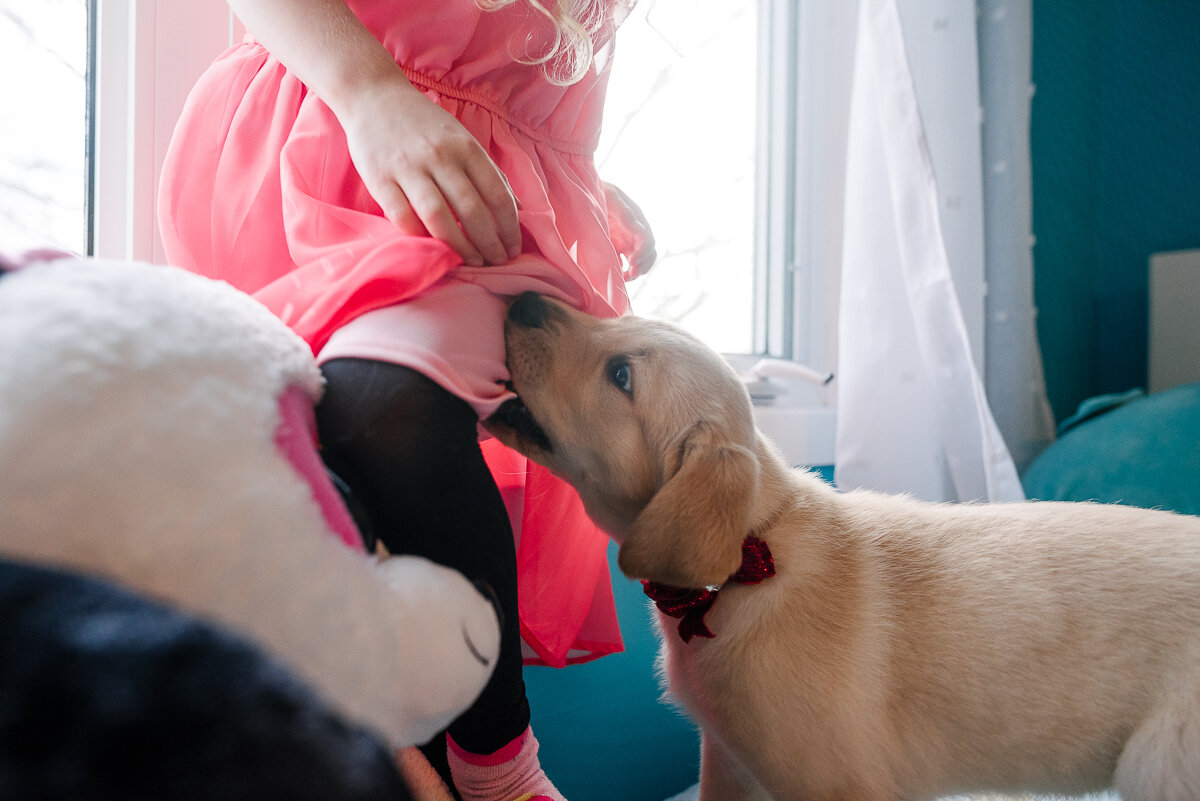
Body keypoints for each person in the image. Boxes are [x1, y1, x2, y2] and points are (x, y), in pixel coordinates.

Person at [157, 1, 655, 800]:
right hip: (309, 155)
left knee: (388, 413)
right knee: (338, 491)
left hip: (478, 199)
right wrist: (369, 92)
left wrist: (583, 191)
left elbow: (512, 67)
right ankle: (461, 766)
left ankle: (496, 765)